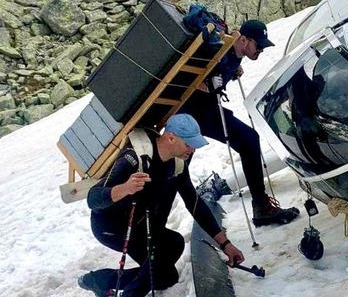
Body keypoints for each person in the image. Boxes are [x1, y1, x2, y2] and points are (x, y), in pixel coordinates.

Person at [78, 114, 244, 297]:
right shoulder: (135, 158)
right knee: (162, 262)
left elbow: (194, 203)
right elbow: (93, 199)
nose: (192, 150)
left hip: (141, 225)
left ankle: (101, 280)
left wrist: (226, 244)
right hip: (111, 227)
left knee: (168, 268)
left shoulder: (177, 164)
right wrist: (124, 188)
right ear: (171, 137)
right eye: (189, 144)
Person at [179, 20, 300, 227]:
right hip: (189, 114)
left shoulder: (235, 55)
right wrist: (207, 83)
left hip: (208, 110)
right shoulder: (217, 49)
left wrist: (231, 74)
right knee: (177, 170)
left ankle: (261, 208)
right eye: (258, 45)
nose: (260, 50)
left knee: (248, 139)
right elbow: (187, 76)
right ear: (243, 39)